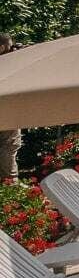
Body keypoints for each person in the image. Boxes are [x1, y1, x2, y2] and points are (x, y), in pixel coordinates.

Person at [0, 33, 17, 181]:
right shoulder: (7, 62)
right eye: (10, 46)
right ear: (2, 47)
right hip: (6, 108)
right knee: (10, 145)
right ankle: (10, 181)